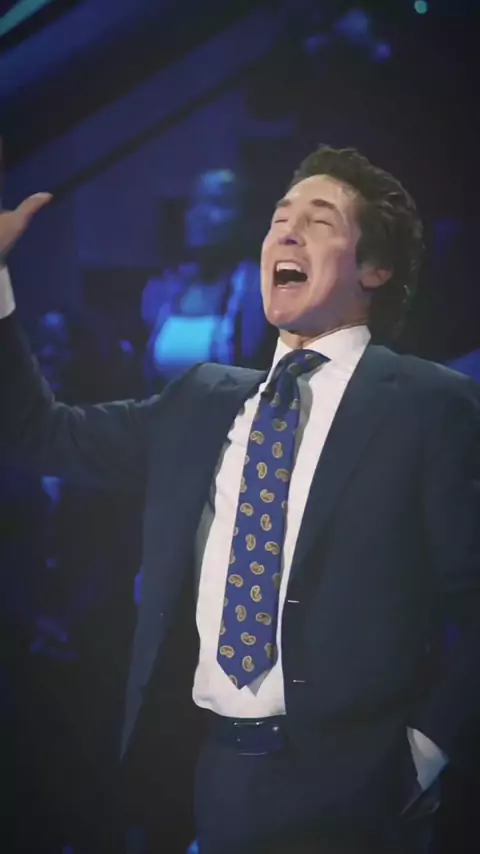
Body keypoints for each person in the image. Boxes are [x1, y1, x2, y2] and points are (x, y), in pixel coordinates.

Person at [1, 145, 480, 854]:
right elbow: (39, 432)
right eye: (279, 220)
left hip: (365, 787)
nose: (287, 233)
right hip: (218, 776)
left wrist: (423, 755)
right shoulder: (202, 401)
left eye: (319, 221)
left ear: (374, 269)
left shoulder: (428, 404)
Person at [141, 168, 265, 391]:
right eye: (195, 204)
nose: (201, 214)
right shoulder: (164, 289)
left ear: (245, 218)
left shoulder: (261, 291)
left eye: (218, 203)